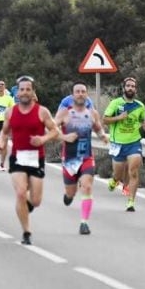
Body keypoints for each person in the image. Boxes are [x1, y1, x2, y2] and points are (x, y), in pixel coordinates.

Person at [0, 76, 58, 245]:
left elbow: (54, 131)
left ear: (32, 92)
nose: (24, 92)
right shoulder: (11, 112)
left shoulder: (42, 111)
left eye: (28, 89)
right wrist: (0, 143)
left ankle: (26, 206)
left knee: (35, 200)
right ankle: (26, 231)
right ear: (17, 92)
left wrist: (43, 140)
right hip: (18, 157)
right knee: (21, 192)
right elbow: (4, 132)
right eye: (21, 89)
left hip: (37, 158)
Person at [56, 82, 108, 235]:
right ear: (73, 95)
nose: (80, 94)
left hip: (86, 157)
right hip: (70, 159)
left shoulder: (92, 113)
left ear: (87, 95)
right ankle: (68, 195)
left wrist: (103, 136)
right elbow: (52, 129)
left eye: (83, 91)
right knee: (71, 192)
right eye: (77, 92)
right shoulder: (64, 113)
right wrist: (64, 136)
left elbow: (98, 128)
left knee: (87, 186)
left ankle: (84, 223)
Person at [103, 77, 145, 211]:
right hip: (118, 144)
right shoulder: (116, 103)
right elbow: (105, 119)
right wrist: (118, 118)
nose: (130, 88)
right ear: (123, 88)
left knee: (133, 172)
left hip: (134, 143)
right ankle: (115, 180)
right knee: (118, 174)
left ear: (136, 89)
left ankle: (131, 202)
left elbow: (142, 122)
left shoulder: (140, 106)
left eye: (133, 86)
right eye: (128, 86)